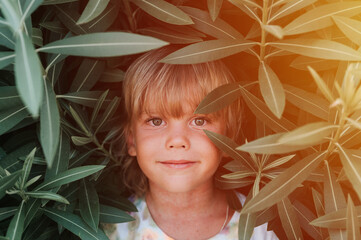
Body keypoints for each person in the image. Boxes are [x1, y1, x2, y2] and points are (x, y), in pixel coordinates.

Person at [103, 46, 278, 240]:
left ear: (229, 136)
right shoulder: (113, 228)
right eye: (156, 121)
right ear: (131, 139)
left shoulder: (258, 226)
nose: (177, 141)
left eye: (199, 121)